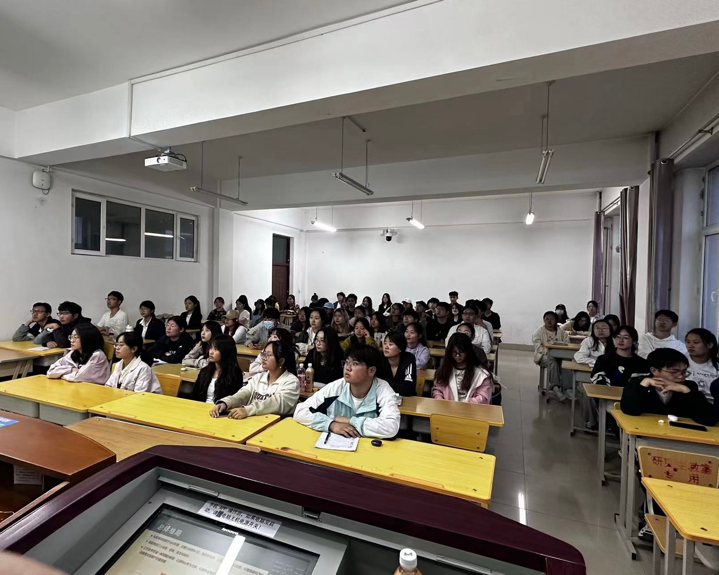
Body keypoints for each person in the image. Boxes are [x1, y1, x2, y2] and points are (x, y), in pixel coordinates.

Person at [294, 344, 400, 438]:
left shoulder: (383, 390)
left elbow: (391, 427)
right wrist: (331, 424)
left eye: (355, 363)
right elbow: (300, 411)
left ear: (371, 370)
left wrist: (350, 420)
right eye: (347, 362)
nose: (347, 368)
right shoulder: (336, 387)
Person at [621, 348, 718, 426]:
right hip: (644, 435)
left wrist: (685, 390)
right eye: (674, 372)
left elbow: (710, 419)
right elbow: (630, 411)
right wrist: (644, 385)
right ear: (654, 370)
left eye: (684, 372)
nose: (681, 376)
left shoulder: (689, 387)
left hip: (680, 436)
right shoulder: (638, 384)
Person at [211, 340, 299, 419]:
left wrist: (248, 410)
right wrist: (225, 403)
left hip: (275, 425)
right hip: (253, 421)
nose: (263, 358)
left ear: (281, 361)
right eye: (263, 354)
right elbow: (244, 394)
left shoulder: (291, 382)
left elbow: (275, 403)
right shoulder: (259, 377)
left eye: (268, 355)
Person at [431, 333, 492, 404]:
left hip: (472, 409)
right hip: (447, 407)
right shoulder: (444, 369)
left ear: (468, 351)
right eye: (454, 352)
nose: (458, 356)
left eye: (461, 352)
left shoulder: (481, 374)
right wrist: (441, 401)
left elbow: (483, 397)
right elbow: (437, 390)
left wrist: (465, 404)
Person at [190, 335, 243, 404]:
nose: (211, 352)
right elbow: (194, 396)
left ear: (225, 351)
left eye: (215, 349)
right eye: (211, 348)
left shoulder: (234, 375)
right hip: (201, 407)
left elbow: (233, 401)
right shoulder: (204, 371)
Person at [532, 311, 570, 402]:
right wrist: (550, 353)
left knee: (567, 361)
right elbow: (538, 347)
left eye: (552, 319)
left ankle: (568, 388)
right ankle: (555, 387)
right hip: (543, 356)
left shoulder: (561, 331)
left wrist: (559, 352)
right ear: (544, 320)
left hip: (559, 356)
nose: (549, 321)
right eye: (547, 319)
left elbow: (567, 343)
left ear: (556, 320)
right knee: (552, 361)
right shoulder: (539, 332)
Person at [379, 330, 417, 397]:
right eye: (384, 343)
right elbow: (376, 384)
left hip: (406, 399)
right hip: (383, 397)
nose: (386, 347)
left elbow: (408, 389)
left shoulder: (408, 360)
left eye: (390, 344)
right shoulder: (379, 359)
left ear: (400, 348)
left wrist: (385, 382)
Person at [685, 328, 719, 401]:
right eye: (688, 342)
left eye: (696, 342)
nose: (690, 345)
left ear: (710, 345)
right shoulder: (680, 362)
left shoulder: (717, 365)